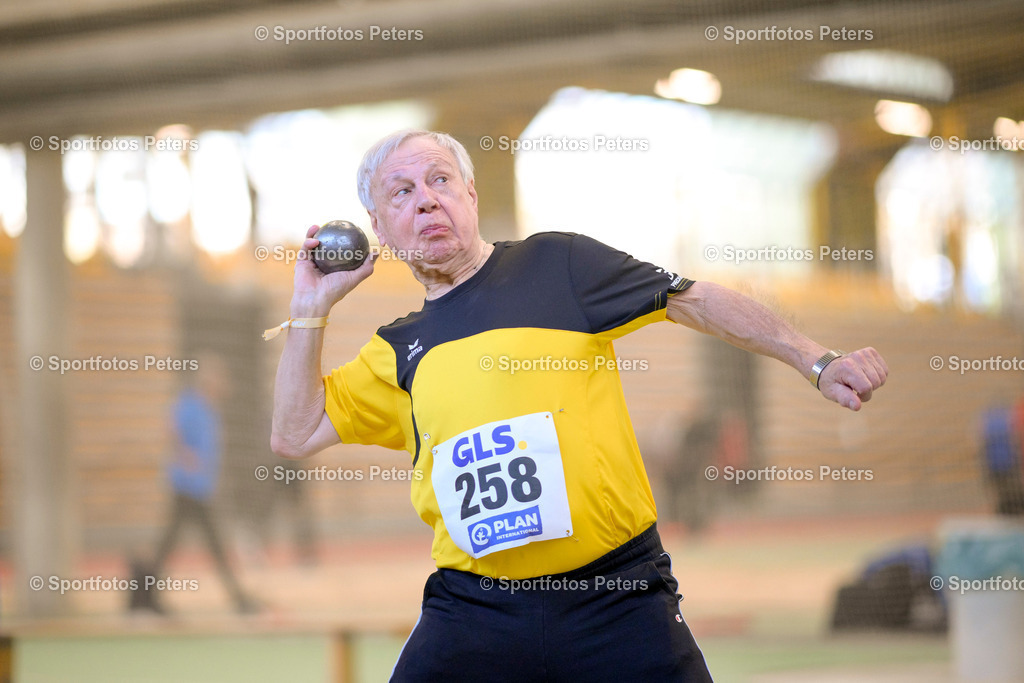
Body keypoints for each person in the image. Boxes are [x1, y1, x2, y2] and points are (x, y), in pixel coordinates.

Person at [269, 130, 888, 680]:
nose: (427, 199)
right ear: (378, 229)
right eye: (401, 192)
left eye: (439, 181)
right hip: (474, 611)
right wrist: (309, 312)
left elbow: (694, 299)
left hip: (614, 600)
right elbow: (294, 433)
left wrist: (816, 359)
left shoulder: (558, 265)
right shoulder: (395, 350)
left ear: (471, 195)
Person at [138, 353, 258, 614]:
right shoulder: (190, 404)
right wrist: (185, 455)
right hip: (187, 488)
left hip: (201, 487)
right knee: (200, 545)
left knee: (171, 545)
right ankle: (237, 598)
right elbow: (169, 428)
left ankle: (148, 597)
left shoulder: (209, 408)